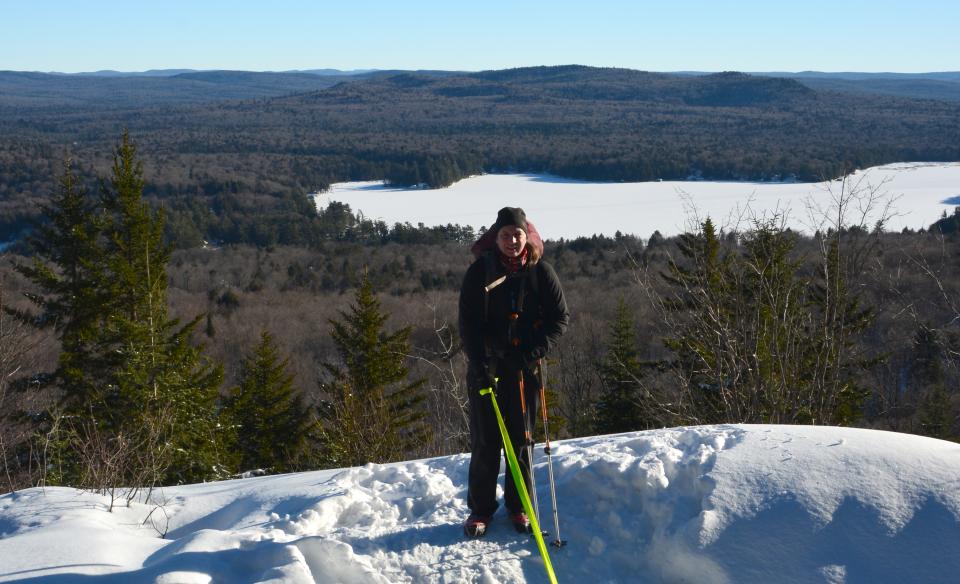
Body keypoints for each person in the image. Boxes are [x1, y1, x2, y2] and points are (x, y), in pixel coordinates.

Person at [458, 206, 570, 537]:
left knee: (521, 441)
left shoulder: (541, 272)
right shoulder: (480, 272)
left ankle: (519, 507)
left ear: (527, 235)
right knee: (486, 441)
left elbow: (559, 319)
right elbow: (469, 324)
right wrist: (477, 363)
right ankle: (481, 511)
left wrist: (533, 351)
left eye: (517, 234)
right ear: (496, 237)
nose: (512, 241)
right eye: (505, 235)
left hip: (525, 369)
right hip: (488, 368)